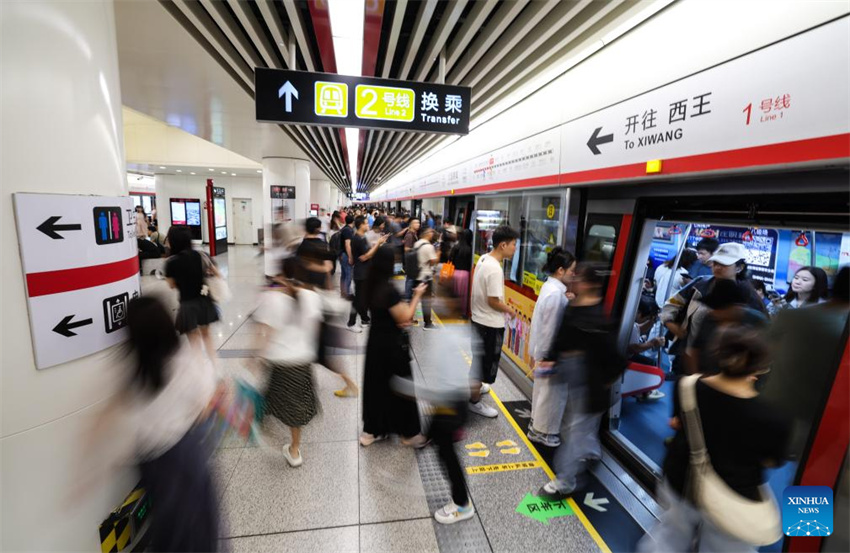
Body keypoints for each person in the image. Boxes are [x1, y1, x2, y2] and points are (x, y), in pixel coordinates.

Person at [637, 326, 791, 553]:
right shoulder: (774, 419)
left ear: (717, 355)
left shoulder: (686, 385)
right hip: (733, 497)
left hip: (681, 479)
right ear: (761, 368)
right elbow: (771, 460)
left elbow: (677, 423)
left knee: (668, 537)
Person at [85, 296, 219, 551]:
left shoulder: (130, 368)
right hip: (184, 456)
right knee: (196, 529)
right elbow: (203, 410)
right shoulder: (187, 361)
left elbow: (109, 417)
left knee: (169, 527)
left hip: (150, 464)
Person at [537, 263, 626, 500]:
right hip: (575, 378)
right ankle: (591, 452)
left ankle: (565, 481)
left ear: (589, 284)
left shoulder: (598, 319)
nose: (574, 280)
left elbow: (616, 360)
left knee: (576, 431)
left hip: (592, 384)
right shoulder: (574, 306)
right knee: (576, 425)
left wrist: (604, 383)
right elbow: (562, 337)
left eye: (579, 278)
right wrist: (551, 358)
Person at [359, 245, 429, 447]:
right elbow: (405, 317)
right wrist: (417, 295)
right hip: (391, 346)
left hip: (375, 343)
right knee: (402, 388)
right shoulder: (389, 291)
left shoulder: (370, 284)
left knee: (376, 387)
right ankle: (410, 434)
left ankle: (372, 431)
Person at [661, 242, 765, 375]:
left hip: (727, 368)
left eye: (724, 264)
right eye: (715, 263)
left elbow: (761, 333)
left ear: (739, 267)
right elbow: (672, 304)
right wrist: (671, 324)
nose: (717, 267)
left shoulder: (748, 296)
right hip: (689, 359)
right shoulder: (700, 284)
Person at [252, 273, 323, 467]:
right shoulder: (312, 297)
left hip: (281, 364)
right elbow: (316, 332)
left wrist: (257, 357)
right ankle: (294, 449)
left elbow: (265, 333)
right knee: (296, 409)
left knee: (270, 400)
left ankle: (264, 430)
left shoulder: (273, 299)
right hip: (302, 363)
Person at [468, 225, 520, 418]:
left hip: (478, 320)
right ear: (503, 245)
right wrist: (510, 311)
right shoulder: (495, 269)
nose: (515, 248)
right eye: (513, 244)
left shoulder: (484, 259)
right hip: (488, 325)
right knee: (481, 365)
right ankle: (474, 402)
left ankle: (476, 387)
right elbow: (493, 301)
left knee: (478, 360)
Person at [527, 247, 576, 447]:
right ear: (560, 270)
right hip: (549, 353)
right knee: (552, 396)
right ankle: (544, 433)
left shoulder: (551, 288)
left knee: (542, 393)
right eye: (572, 270)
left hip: (542, 350)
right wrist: (549, 357)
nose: (574, 274)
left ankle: (535, 426)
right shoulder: (556, 295)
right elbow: (551, 329)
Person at [164, 226, 219, 362]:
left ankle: (201, 369)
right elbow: (217, 273)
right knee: (207, 336)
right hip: (204, 301)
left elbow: (171, 285)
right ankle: (215, 367)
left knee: (194, 340)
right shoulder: (201, 255)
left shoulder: (171, 262)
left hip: (187, 305)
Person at [348, 216, 388, 331]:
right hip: (361, 273)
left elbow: (368, 252)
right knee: (358, 300)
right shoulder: (358, 239)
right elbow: (366, 256)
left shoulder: (362, 237)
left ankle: (365, 319)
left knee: (363, 298)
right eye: (366, 223)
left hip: (365, 271)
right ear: (360, 225)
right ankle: (351, 323)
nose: (368, 225)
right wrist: (378, 243)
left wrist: (378, 244)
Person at [414, 227, 439, 330]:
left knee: (417, 298)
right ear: (427, 234)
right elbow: (433, 261)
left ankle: (412, 318)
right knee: (427, 301)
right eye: (431, 232)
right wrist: (438, 252)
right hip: (426, 276)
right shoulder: (428, 246)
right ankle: (428, 323)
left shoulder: (417, 243)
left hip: (417, 275)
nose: (432, 233)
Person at [448, 229, 474, 317]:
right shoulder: (470, 249)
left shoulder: (456, 247)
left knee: (454, 293)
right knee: (463, 295)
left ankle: (454, 311)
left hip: (455, 272)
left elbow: (450, 259)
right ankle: (462, 313)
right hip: (465, 274)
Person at [338, 214, 355, 299]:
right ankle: (346, 293)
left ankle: (343, 292)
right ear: (353, 221)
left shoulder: (344, 229)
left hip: (342, 254)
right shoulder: (348, 230)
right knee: (348, 275)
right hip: (345, 255)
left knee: (344, 274)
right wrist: (350, 257)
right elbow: (347, 245)